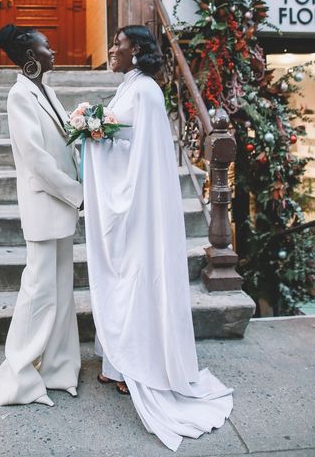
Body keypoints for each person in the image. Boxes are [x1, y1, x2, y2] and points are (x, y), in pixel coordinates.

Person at [83, 25, 233, 452]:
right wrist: (94, 132)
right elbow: (123, 143)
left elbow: (141, 157)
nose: (111, 49)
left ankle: (141, 366)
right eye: (111, 43)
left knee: (135, 283)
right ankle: (116, 364)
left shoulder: (146, 91)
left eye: (119, 44)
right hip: (125, 204)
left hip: (137, 207)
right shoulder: (130, 87)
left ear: (139, 52)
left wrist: (94, 136)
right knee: (121, 283)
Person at [0, 24, 83, 407]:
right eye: (46, 45)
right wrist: (77, 193)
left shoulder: (47, 89)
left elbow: (62, 143)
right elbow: (37, 159)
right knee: (38, 292)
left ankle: (59, 370)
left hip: (61, 205)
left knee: (62, 292)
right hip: (45, 203)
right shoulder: (19, 95)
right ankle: (19, 379)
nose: (53, 49)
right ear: (30, 55)